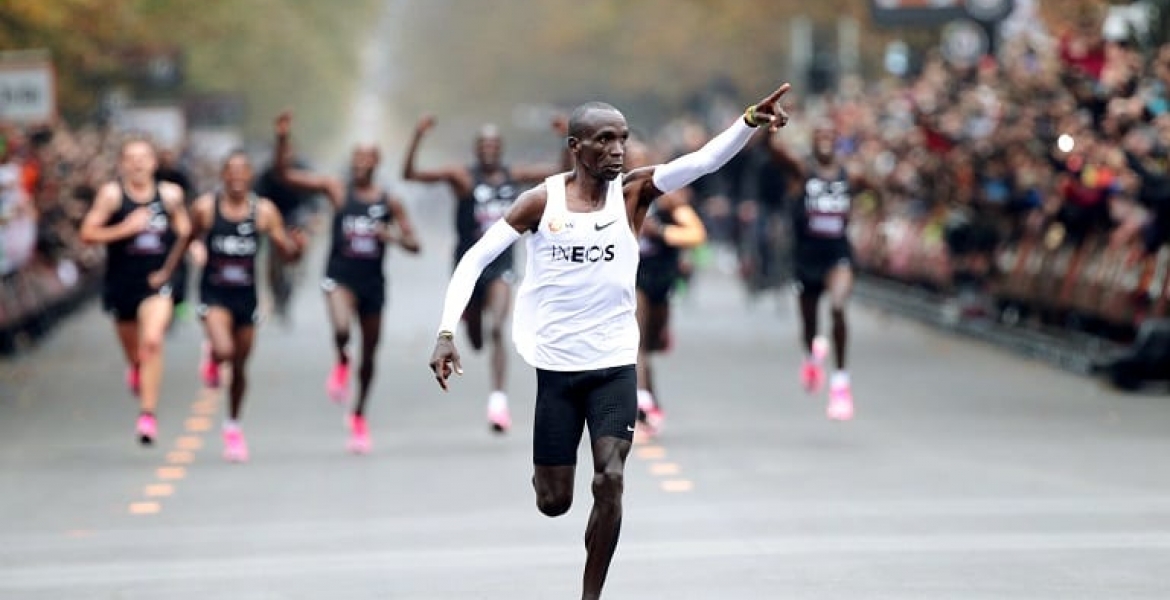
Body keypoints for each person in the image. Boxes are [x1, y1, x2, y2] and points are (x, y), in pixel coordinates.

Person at [429, 83, 791, 600]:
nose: (617, 150)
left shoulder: (635, 192)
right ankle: (558, 490)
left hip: (615, 361)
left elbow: (705, 162)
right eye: (604, 140)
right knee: (554, 501)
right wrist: (446, 331)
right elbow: (475, 258)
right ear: (576, 147)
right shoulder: (541, 202)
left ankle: (590, 594)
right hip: (556, 368)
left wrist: (750, 120)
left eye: (622, 139)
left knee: (611, 477)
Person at [404, 114, 567, 434]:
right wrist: (417, 137)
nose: (489, 149)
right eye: (483, 144)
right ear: (476, 150)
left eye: (494, 144)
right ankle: (468, 318)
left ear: (501, 149)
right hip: (471, 264)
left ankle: (498, 401)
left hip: (502, 264)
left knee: (497, 329)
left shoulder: (513, 175)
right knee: (477, 339)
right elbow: (410, 174)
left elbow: (560, 175)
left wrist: (564, 140)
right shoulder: (462, 177)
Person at [273, 111, 421, 453]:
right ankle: (341, 359)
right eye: (356, 158)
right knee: (341, 328)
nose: (360, 164)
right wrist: (282, 139)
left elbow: (415, 245)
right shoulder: (336, 191)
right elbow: (285, 176)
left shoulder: (389, 200)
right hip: (339, 276)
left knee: (369, 357)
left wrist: (393, 237)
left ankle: (358, 416)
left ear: (376, 164)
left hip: (373, 284)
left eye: (366, 159)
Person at [189, 150, 305, 462]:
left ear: (251, 177)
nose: (237, 177)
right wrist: (189, 255)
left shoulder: (264, 212)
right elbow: (186, 239)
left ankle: (233, 426)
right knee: (226, 351)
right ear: (222, 176)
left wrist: (297, 250)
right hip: (214, 293)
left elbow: (286, 252)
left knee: (240, 365)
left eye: (243, 171)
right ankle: (213, 353)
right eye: (231, 171)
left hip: (246, 296)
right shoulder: (206, 208)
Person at [79, 138, 191, 446]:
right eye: (131, 158)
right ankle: (137, 370)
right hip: (123, 283)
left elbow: (184, 231)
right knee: (136, 354)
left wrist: (182, 257)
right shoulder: (112, 195)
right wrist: (124, 229)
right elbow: (87, 233)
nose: (138, 163)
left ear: (155, 163)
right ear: (122, 164)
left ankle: (147, 415)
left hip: (157, 283)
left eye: (144, 157)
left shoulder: (170, 195)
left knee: (152, 340)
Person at [766, 119, 869, 421]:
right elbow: (776, 156)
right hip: (806, 255)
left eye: (830, 135)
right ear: (813, 141)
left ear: (837, 141)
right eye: (819, 135)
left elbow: (879, 191)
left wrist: (872, 227)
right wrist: (768, 131)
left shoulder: (850, 175)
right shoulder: (802, 171)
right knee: (810, 324)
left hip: (838, 253)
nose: (824, 140)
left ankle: (840, 384)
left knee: (838, 308)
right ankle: (812, 355)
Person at [626, 139, 708, 437]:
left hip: (662, 277)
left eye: (640, 159)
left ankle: (649, 395)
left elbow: (696, 234)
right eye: (629, 160)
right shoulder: (618, 198)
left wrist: (659, 231)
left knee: (651, 344)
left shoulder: (667, 199)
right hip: (633, 278)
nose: (634, 165)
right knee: (636, 343)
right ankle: (644, 402)